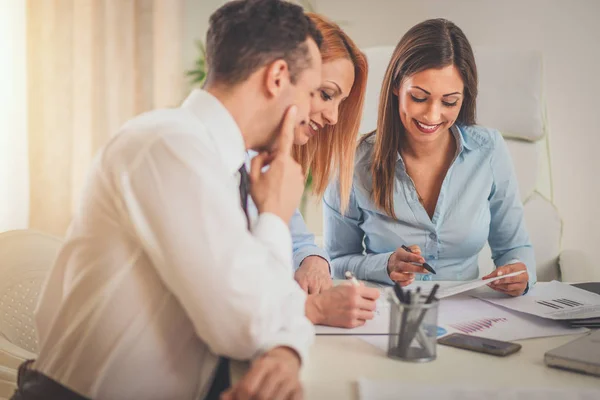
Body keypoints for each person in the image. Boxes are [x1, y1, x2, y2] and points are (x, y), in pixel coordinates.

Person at [14, 1, 323, 399]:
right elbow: (247, 325)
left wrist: (285, 350)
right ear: (278, 77)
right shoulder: (169, 145)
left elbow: (272, 300)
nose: (312, 110)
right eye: (313, 92)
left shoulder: (228, 167)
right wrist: (276, 219)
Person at [324, 18, 536, 297]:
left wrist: (518, 272)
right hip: (390, 312)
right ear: (397, 86)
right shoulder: (353, 162)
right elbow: (337, 261)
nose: (432, 115)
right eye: (420, 97)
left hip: (471, 312)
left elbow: (514, 247)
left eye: (449, 101)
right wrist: (384, 265)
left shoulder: (489, 150)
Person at [247, 12, 380, 329]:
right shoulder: (217, 160)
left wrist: (314, 262)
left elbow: (301, 240)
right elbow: (238, 300)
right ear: (281, 77)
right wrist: (313, 309)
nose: (334, 117)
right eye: (325, 94)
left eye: (340, 102)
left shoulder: (270, 160)